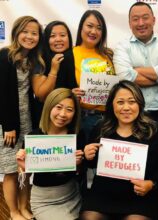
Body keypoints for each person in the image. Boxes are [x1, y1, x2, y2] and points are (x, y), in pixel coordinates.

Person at [80, 80, 158, 220]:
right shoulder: (101, 128)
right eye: (120, 102)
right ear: (112, 105)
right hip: (104, 194)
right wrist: (88, 156)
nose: (126, 107)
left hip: (140, 197)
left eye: (132, 101)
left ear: (140, 104)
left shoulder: (154, 131)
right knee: (90, 218)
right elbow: (92, 165)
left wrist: (151, 184)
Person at [16, 88, 85, 220]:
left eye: (69, 110)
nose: (63, 114)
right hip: (44, 199)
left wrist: (78, 164)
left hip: (71, 195)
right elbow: (24, 180)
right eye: (58, 107)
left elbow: (79, 172)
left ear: (75, 113)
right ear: (49, 107)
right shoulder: (34, 137)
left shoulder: (77, 136)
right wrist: (22, 168)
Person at [0, 15, 44, 220]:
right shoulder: (4, 55)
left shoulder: (35, 60)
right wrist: (8, 125)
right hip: (8, 124)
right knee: (10, 170)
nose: (29, 36)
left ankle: (24, 207)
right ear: (17, 33)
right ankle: (14, 212)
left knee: (26, 169)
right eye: (25, 31)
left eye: (34, 33)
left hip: (28, 122)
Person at [113, 2, 158, 132]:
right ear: (129, 23)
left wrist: (135, 70)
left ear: (153, 20)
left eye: (145, 17)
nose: (141, 23)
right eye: (135, 19)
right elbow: (125, 77)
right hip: (131, 112)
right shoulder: (122, 47)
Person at [72, 10, 115, 139]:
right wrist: (70, 93)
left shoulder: (109, 54)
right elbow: (61, 87)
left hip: (110, 118)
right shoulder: (71, 54)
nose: (94, 31)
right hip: (84, 118)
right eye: (89, 26)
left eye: (99, 28)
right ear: (81, 28)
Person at [33, 20, 77, 122]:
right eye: (52, 36)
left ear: (69, 38)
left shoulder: (74, 57)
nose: (58, 39)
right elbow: (41, 95)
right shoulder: (40, 60)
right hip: (44, 116)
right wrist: (53, 70)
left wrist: (72, 94)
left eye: (62, 35)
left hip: (69, 116)